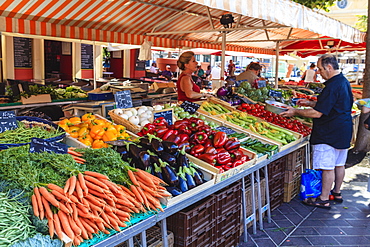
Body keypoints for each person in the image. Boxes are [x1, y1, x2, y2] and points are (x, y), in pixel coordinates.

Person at [280, 54, 353, 209]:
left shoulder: (332, 86)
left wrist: (295, 111)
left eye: (320, 69)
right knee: (339, 164)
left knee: (327, 167)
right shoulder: (343, 82)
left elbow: (318, 113)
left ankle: (323, 198)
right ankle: (337, 192)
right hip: (343, 129)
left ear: (329, 67)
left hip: (329, 132)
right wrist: (310, 102)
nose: (318, 72)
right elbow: (331, 105)